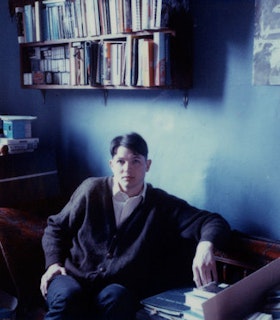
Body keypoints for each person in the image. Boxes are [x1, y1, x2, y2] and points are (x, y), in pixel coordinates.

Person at [40, 132, 231, 320]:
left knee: (118, 299)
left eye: (135, 161)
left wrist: (205, 246)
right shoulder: (91, 190)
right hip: (72, 278)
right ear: (111, 164)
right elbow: (55, 227)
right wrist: (53, 264)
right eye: (121, 161)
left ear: (147, 165)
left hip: (114, 287)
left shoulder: (161, 204)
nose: (127, 169)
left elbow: (212, 221)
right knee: (68, 297)